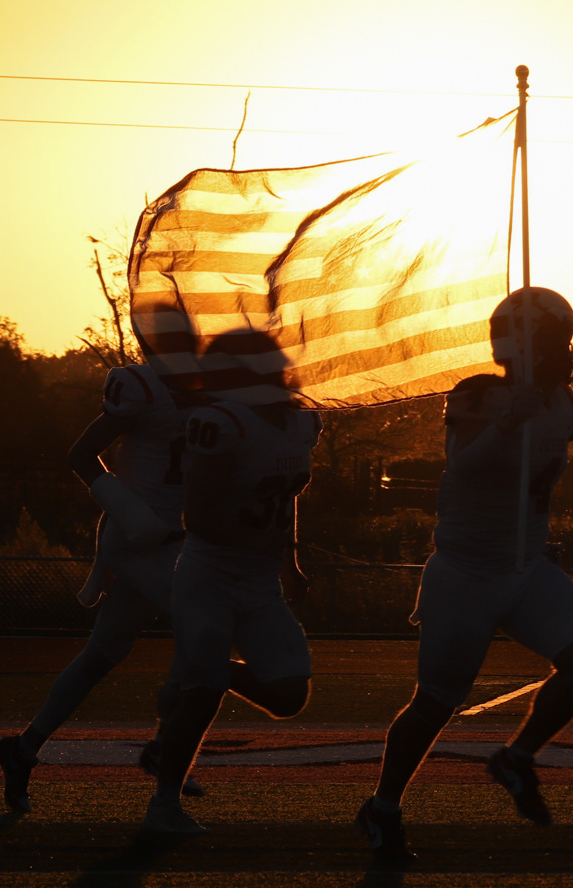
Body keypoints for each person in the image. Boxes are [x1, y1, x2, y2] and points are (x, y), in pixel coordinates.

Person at [356, 287, 573, 860]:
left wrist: (538, 538)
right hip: (466, 571)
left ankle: (515, 757)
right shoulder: (479, 396)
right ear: (523, 342)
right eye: (555, 339)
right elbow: (464, 468)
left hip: (525, 564)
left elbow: (534, 484)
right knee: (436, 703)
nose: (567, 351)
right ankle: (383, 807)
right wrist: (506, 423)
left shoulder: (561, 401)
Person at [0, 363, 207, 812]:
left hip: (176, 544)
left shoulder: (220, 391)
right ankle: (165, 746)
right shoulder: (147, 389)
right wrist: (130, 513)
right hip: (138, 542)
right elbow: (80, 455)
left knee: (102, 655)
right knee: (206, 627)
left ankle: (23, 748)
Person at [139, 354, 320, 836]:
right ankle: (164, 806)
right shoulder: (223, 423)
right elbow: (197, 517)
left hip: (259, 583)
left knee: (287, 694)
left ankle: (200, 677)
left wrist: (290, 562)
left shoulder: (300, 423)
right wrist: (257, 542)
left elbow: (287, 498)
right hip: (210, 578)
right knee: (202, 700)